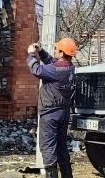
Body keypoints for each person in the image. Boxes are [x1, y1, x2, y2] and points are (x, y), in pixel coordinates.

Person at [28, 37, 77, 178]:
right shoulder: (70, 68)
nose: (55, 51)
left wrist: (31, 54)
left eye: (57, 49)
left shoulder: (55, 70)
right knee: (62, 146)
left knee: (48, 148)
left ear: (62, 53)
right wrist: (41, 51)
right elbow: (53, 62)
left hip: (50, 114)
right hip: (63, 113)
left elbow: (36, 70)